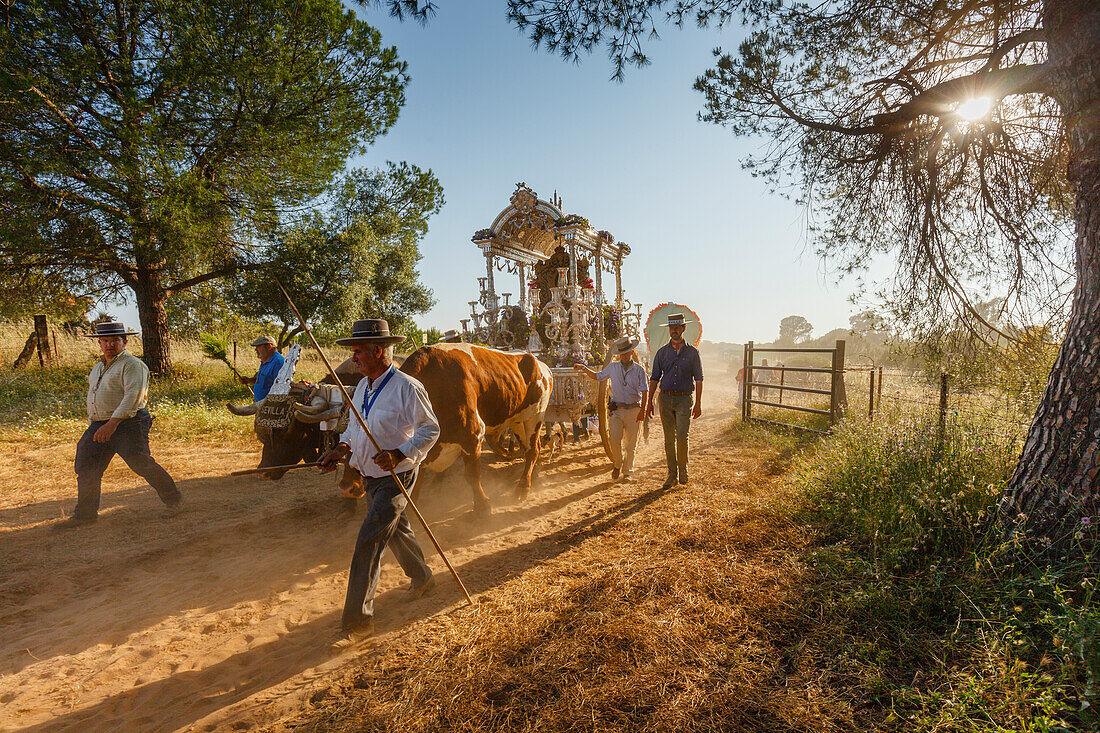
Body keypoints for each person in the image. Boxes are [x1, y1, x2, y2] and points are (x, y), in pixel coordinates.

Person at [318, 319, 440, 651]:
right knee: (395, 528)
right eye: (353, 352)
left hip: (397, 477)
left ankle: (359, 624)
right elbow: (354, 429)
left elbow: (431, 430)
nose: (353, 358)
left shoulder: (407, 387)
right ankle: (423, 577)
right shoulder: (361, 388)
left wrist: (400, 453)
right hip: (370, 476)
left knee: (369, 542)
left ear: (377, 350)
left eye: (357, 352)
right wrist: (341, 450)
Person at [55, 321, 182, 529]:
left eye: (114, 340)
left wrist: (112, 424)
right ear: (99, 343)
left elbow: (133, 396)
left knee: (141, 463)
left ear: (125, 341)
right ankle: (85, 515)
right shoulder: (97, 368)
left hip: (128, 423)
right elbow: (94, 398)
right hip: (100, 424)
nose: (109, 345)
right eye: (104, 341)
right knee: (87, 466)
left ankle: (174, 500)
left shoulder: (133, 365)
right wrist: (94, 425)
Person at [574, 336, 648, 481]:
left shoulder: (639, 370)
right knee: (614, 439)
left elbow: (645, 391)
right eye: (622, 353)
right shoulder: (613, 367)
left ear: (632, 352)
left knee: (630, 444)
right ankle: (617, 464)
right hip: (617, 410)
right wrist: (584, 368)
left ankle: (627, 472)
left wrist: (642, 411)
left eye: (627, 353)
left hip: (634, 409)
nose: (624, 356)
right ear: (619, 354)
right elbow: (598, 376)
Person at [645, 313, 704, 490]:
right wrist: (649, 403)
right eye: (672, 328)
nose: (674, 330)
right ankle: (672, 474)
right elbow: (654, 379)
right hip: (666, 398)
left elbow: (699, 379)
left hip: (685, 399)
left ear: (683, 328)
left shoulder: (693, 353)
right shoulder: (662, 353)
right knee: (669, 439)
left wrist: (698, 403)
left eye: (677, 327)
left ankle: (683, 469)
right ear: (669, 329)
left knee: (682, 436)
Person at [238, 335, 284, 401]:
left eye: (259, 346)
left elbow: (280, 389)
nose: (256, 349)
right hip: (261, 405)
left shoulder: (278, 363)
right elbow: (265, 381)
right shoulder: (265, 361)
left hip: (269, 407)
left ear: (269, 347)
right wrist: (248, 380)